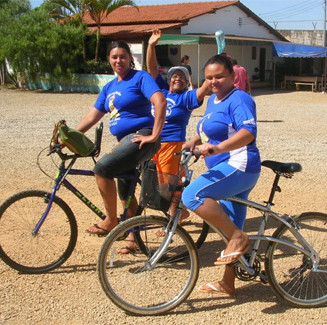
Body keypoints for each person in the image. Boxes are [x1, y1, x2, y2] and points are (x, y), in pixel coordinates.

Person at [181, 54, 261, 296]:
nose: (214, 81)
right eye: (209, 78)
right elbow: (215, 129)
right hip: (227, 168)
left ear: (232, 76)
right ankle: (228, 282)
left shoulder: (239, 99)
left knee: (191, 196)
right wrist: (196, 140)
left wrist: (217, 148)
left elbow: (248, 132)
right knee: (229, 225)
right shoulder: (215, 100)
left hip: (240, 165)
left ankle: (239, 237)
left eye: (219, 76)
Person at [76, 40, 167, 238]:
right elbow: (93, 116)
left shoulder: (140, 77)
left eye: (123, 56)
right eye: (114, 57)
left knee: (102, 169)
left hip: (141, 137)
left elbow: (160, 102)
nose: (119, 60)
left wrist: (154, 134)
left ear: (130, 59)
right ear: (109, 59)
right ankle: (134, 239)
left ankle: (110, 221)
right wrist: (71, 135)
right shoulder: (109, 87)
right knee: (125, 193)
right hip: (125, 141)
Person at [147, 29, 210, 224]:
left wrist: (215, 71)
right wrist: (151, 45)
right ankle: (178, 214)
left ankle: (172, 220)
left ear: (186, 82)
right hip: (154, 143)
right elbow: (151, 70)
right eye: (174, 76)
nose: (177, 79)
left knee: (169, 185)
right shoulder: (161, 92)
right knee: (160, 184)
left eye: (182, 77)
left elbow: (204, 89)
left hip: (172, 143)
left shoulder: (186, 98)